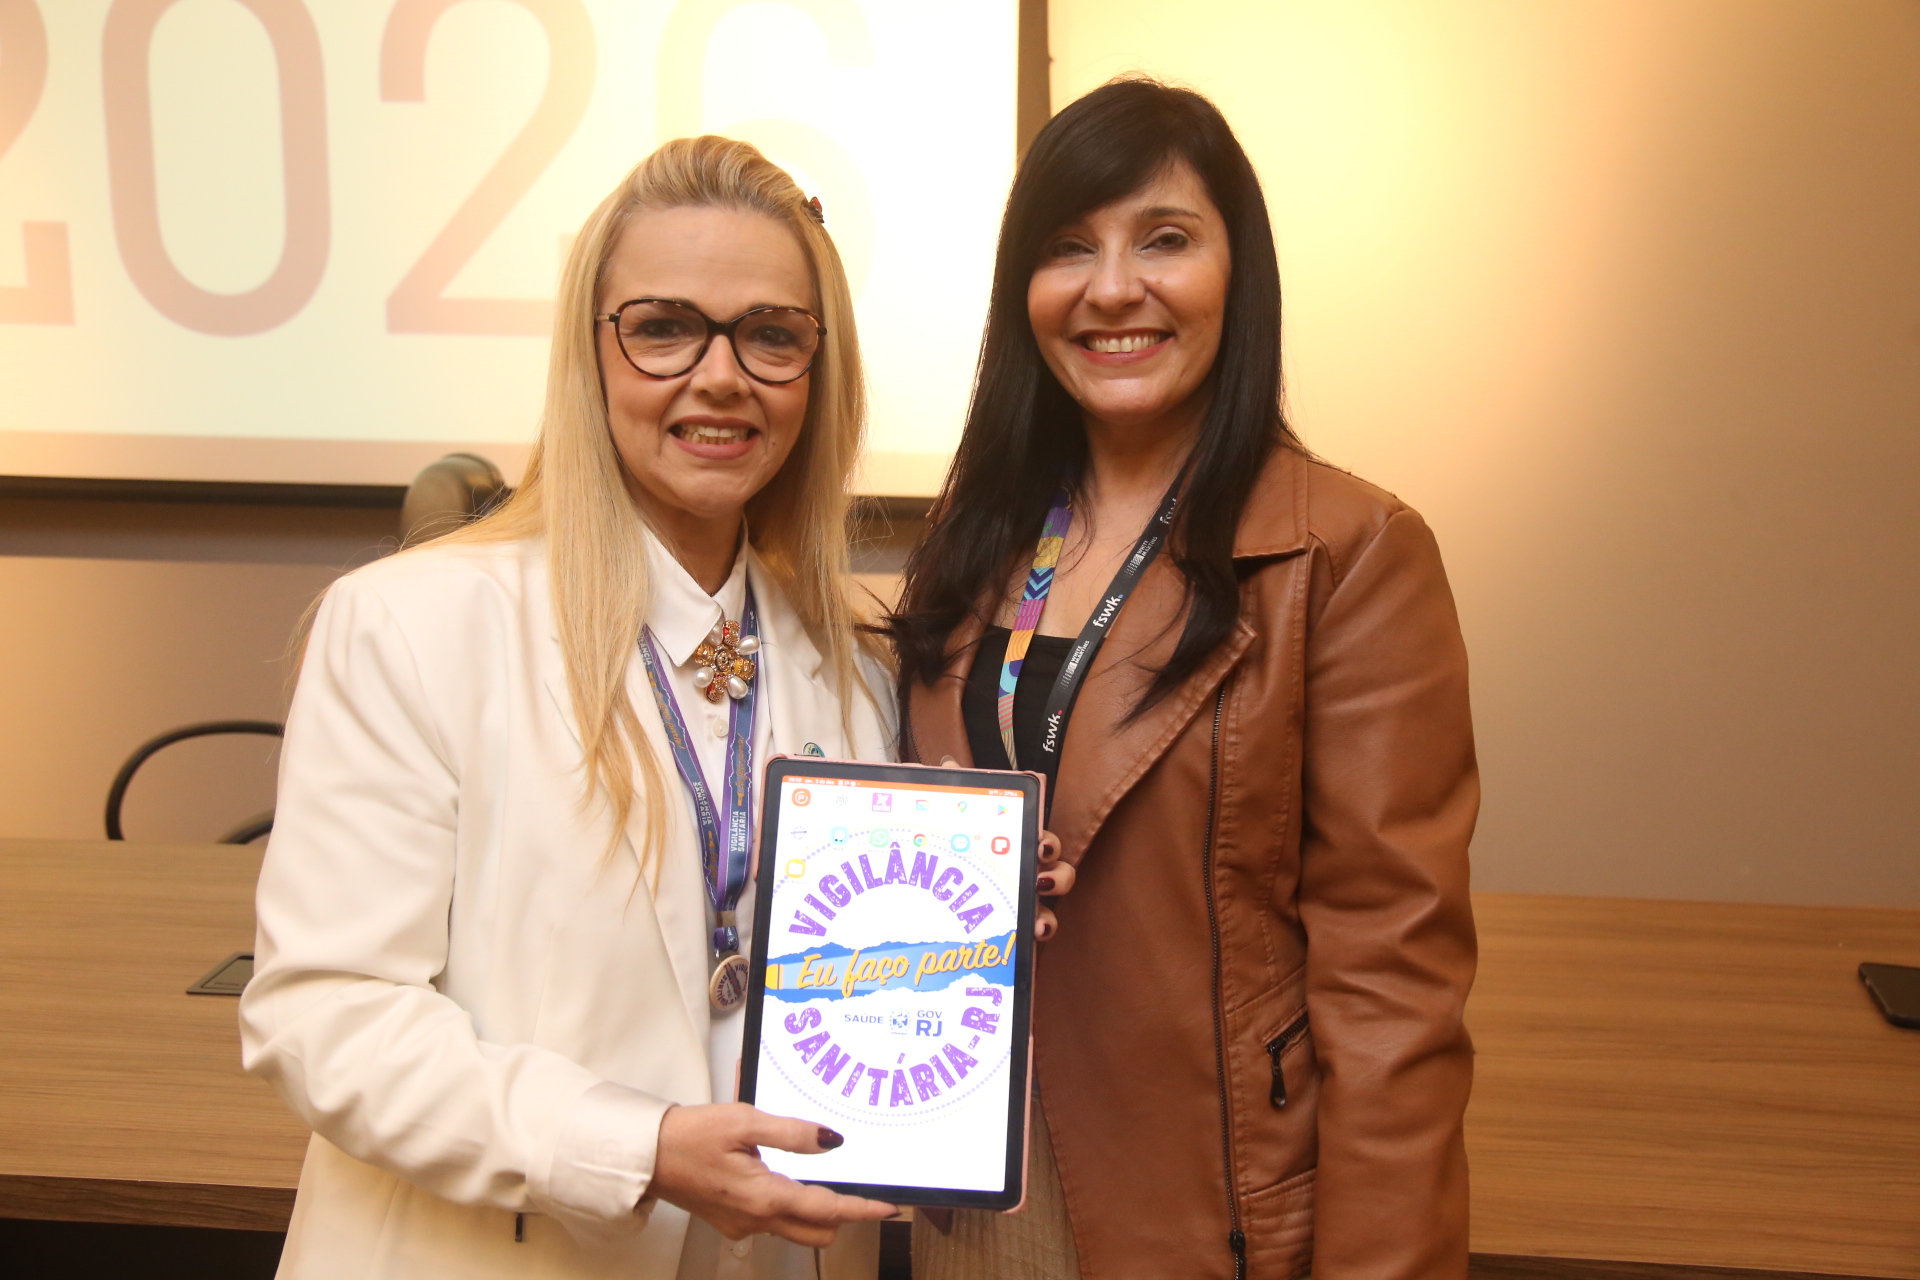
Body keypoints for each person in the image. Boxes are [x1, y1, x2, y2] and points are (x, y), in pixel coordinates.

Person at [240, 137, 902, 1280]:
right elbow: (327, 1016)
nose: (722, 375)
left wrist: (972, 919)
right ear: (589, 353)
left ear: (818, 366)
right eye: (663, 327)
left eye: (772, 334)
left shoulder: (857, 670)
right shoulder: (412, 623)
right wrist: (632, 1144)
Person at [889, 79, 1479, 1280]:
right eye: (1069, 247)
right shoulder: (976, 537)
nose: (1112, 288)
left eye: (1164, 239)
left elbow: (1393, 988)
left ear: (1236, 273)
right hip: (965, 1188)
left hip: (1198, 1204)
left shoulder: (1346, 554)